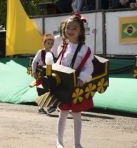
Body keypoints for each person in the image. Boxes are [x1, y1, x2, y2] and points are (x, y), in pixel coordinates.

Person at [56, 14, 93, 148]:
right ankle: (59, 142)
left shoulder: (85, 50)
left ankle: (77, 143)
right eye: (68, 28)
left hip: (76, 87)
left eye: (74, 28)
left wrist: (82, 78)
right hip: (63, 86)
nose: (70, 31)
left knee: (77, 115)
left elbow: (89, 67)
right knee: (63, 113)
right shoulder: (61, 47)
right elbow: (58, 64)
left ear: (81, 31)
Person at [31, 34, 55, 114]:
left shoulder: (52, 53)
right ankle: (41, 108)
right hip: (41, 73)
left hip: (49, 72)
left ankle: (49, 106)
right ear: (44, 43)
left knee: (49, 89)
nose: (50, 45)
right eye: (48, 43)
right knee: (41, 90)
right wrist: (34, 72)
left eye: (52, 43)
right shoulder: (40, 52)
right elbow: (34, 62)